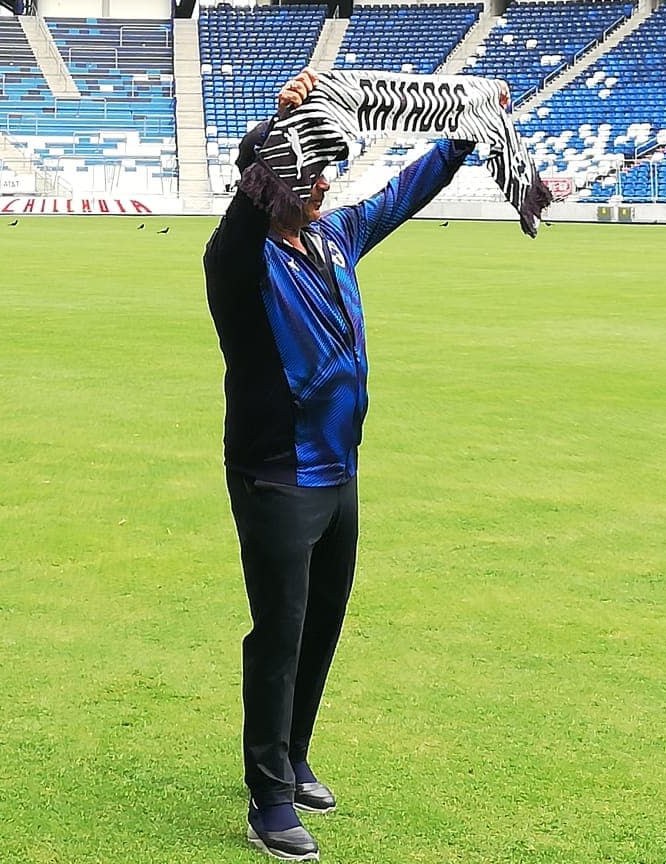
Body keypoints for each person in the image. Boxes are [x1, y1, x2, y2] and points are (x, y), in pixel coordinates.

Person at [203, 68, 479, 861]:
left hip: (339, 472)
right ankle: (268, 801)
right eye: (311, 172)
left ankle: (293, 753)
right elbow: (255, 190)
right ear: (274, 183)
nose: (326, 182)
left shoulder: (331, 237)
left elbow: (400, 195)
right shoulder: (239, 259)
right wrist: (279, 117)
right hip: (278, 477)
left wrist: (465, 136)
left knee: (322, 624)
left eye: (327, 171)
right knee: (279, 635)